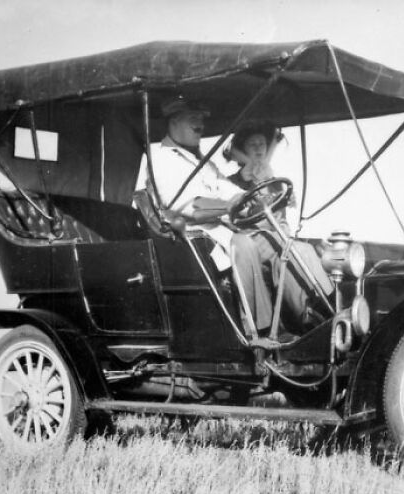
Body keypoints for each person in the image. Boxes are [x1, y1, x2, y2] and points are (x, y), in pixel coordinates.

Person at [135, 99, 330, 337]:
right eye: (193, 117)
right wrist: (231, 206)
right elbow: (186, 205)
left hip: (227, 232)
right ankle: (264, 333)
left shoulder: (201, 162)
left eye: (202, 118)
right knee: (244, 244)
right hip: (197, 239)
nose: (201, 123)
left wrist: (254, 201)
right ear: (174, 120)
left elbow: (229, 190)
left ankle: (319, 322)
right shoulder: (161, 158)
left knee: (290, 247)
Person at [225, 120, 334, 329]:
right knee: (300, 250)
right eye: (252, 145)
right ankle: (318, 313)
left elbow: (283, 217)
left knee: (307, 250)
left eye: (262, 144)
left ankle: (318, 310)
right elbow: (235, 216)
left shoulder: (275, 182)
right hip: (251, 238)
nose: (258, 148)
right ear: (243, 150)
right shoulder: (232, 184)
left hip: (278, 238)